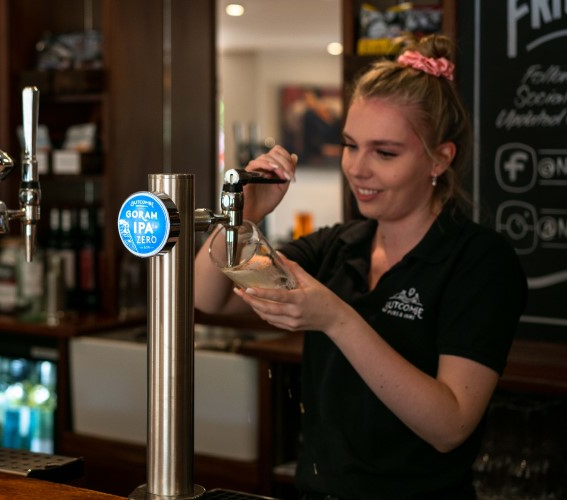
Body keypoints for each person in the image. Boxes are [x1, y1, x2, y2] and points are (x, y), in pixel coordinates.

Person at [194, 34, 527, 499]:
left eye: (385, 152)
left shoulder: (479, 262)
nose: (358, 169)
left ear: (440, 159)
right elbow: (208, 297)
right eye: (351, 146)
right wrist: (244, 212)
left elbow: (450, 425)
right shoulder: (337, 247)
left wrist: (335, 318)